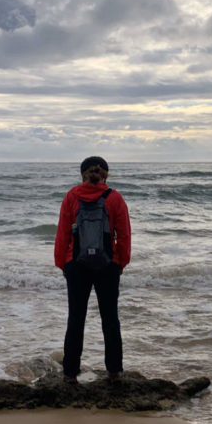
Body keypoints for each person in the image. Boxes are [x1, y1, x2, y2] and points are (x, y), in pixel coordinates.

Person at [54, 156, 131, 383]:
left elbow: (63, 234)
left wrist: (62, 263)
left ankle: (70, 374)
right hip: (108, 265)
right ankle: (114, 372)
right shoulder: (115, 198)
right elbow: (124, 235)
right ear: (105, 174)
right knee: (110, 319)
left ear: (82, 174)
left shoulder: (71, 196)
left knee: (76, 318)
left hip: (76, 265)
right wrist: (121, 263)